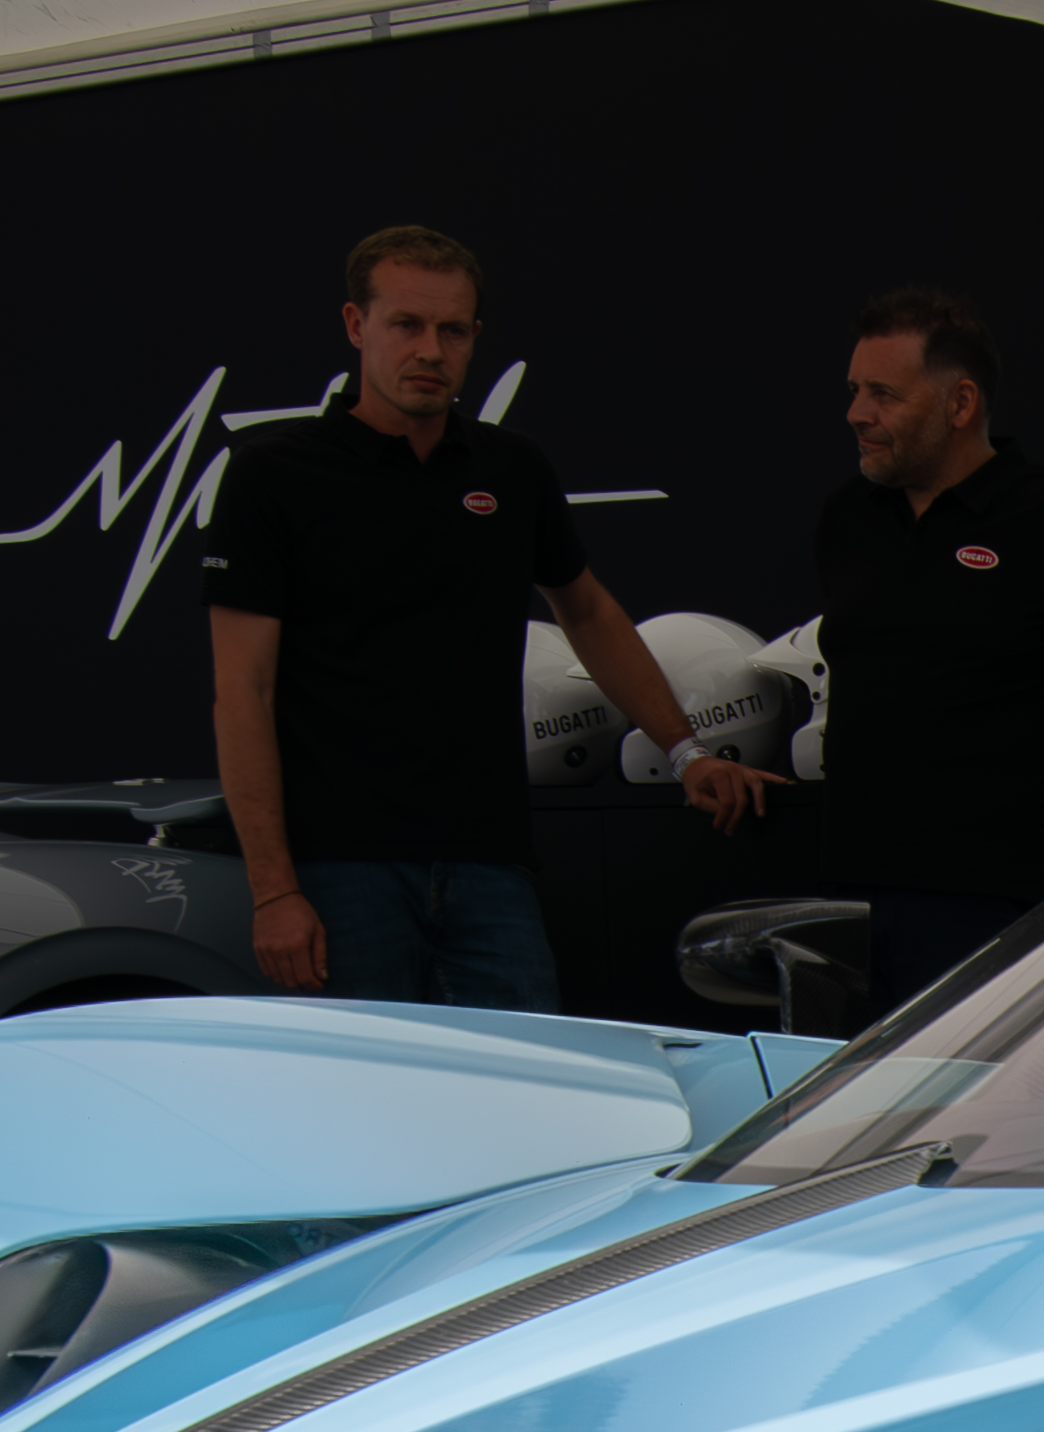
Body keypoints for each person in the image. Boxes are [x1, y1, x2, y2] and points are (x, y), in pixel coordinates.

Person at [205, 225, 772, 1007]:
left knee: (525, 1080)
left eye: (453, 330)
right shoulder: (271, 475)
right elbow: (243, 692)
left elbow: (589, 612)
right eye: (407, 324)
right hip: (340, 869)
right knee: (373, 1085)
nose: (430, 350)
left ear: (475, 336)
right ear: (355, 325)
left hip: (490, 864)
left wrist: (686, 753)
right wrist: (273, 889)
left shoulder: (512, 469)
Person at [804, 288, 1044, 1006]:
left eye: (883, 394)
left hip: (1000, 907)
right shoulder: (847, 516)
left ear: (960, 403)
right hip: (852, 898)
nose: (856, 413)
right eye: (854, 390)